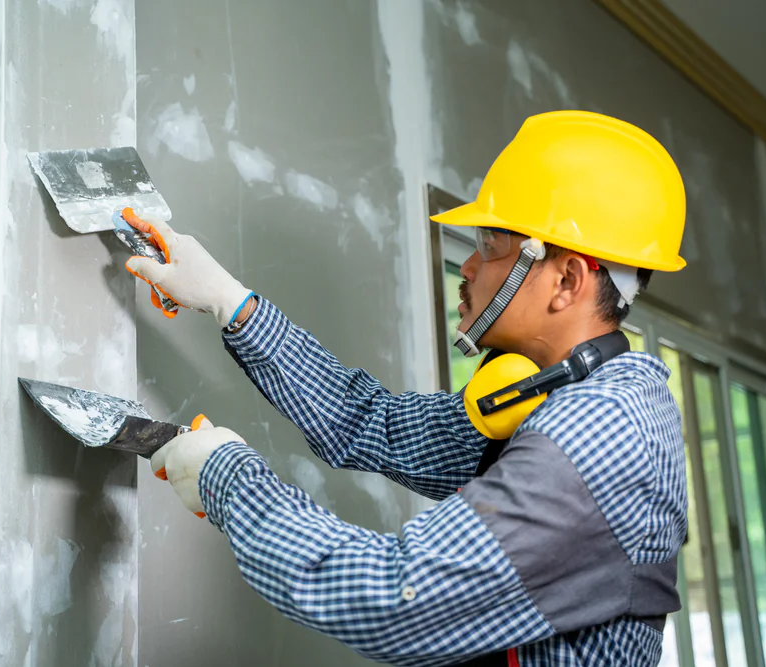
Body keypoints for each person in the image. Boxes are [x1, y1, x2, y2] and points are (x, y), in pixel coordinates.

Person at [124, 110, 689, 666]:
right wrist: (230, 302)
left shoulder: (602, 435)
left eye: (491, 245)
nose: (468, 267)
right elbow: (370, 422)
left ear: (565, 280)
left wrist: (227, 476)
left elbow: (398, 599)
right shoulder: (550, 397)